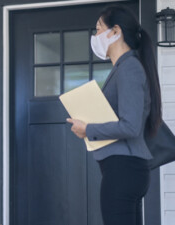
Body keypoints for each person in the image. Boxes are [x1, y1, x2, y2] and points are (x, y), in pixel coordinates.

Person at [67, 5, 162, 225]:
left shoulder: (129, 67)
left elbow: (130, 126)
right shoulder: (124, 67)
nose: (95, 35)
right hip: (125, 169)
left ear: (116, 31)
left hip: (123, 170)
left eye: (98, 29)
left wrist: (88, 129)